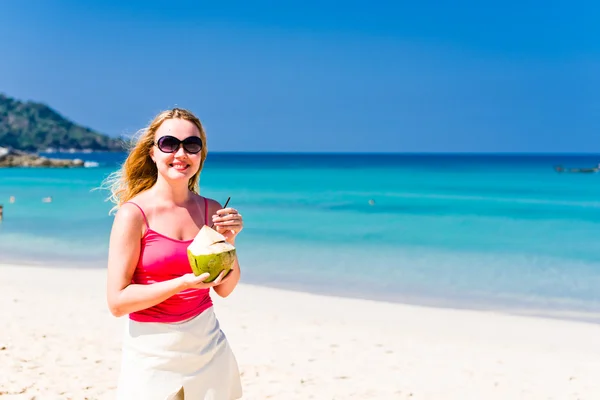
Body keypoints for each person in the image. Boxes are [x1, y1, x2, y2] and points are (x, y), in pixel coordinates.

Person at [104, 108, 244, 400]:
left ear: (201, 155)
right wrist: (181, 284)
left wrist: (229, 242)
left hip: (207, 346)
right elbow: (117, 302)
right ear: (153, 152)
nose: (181, 153)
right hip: (151, 353)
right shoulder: (133, 215)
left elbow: (225, 289)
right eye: (169, 143)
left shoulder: (212, 210)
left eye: (192, 145)